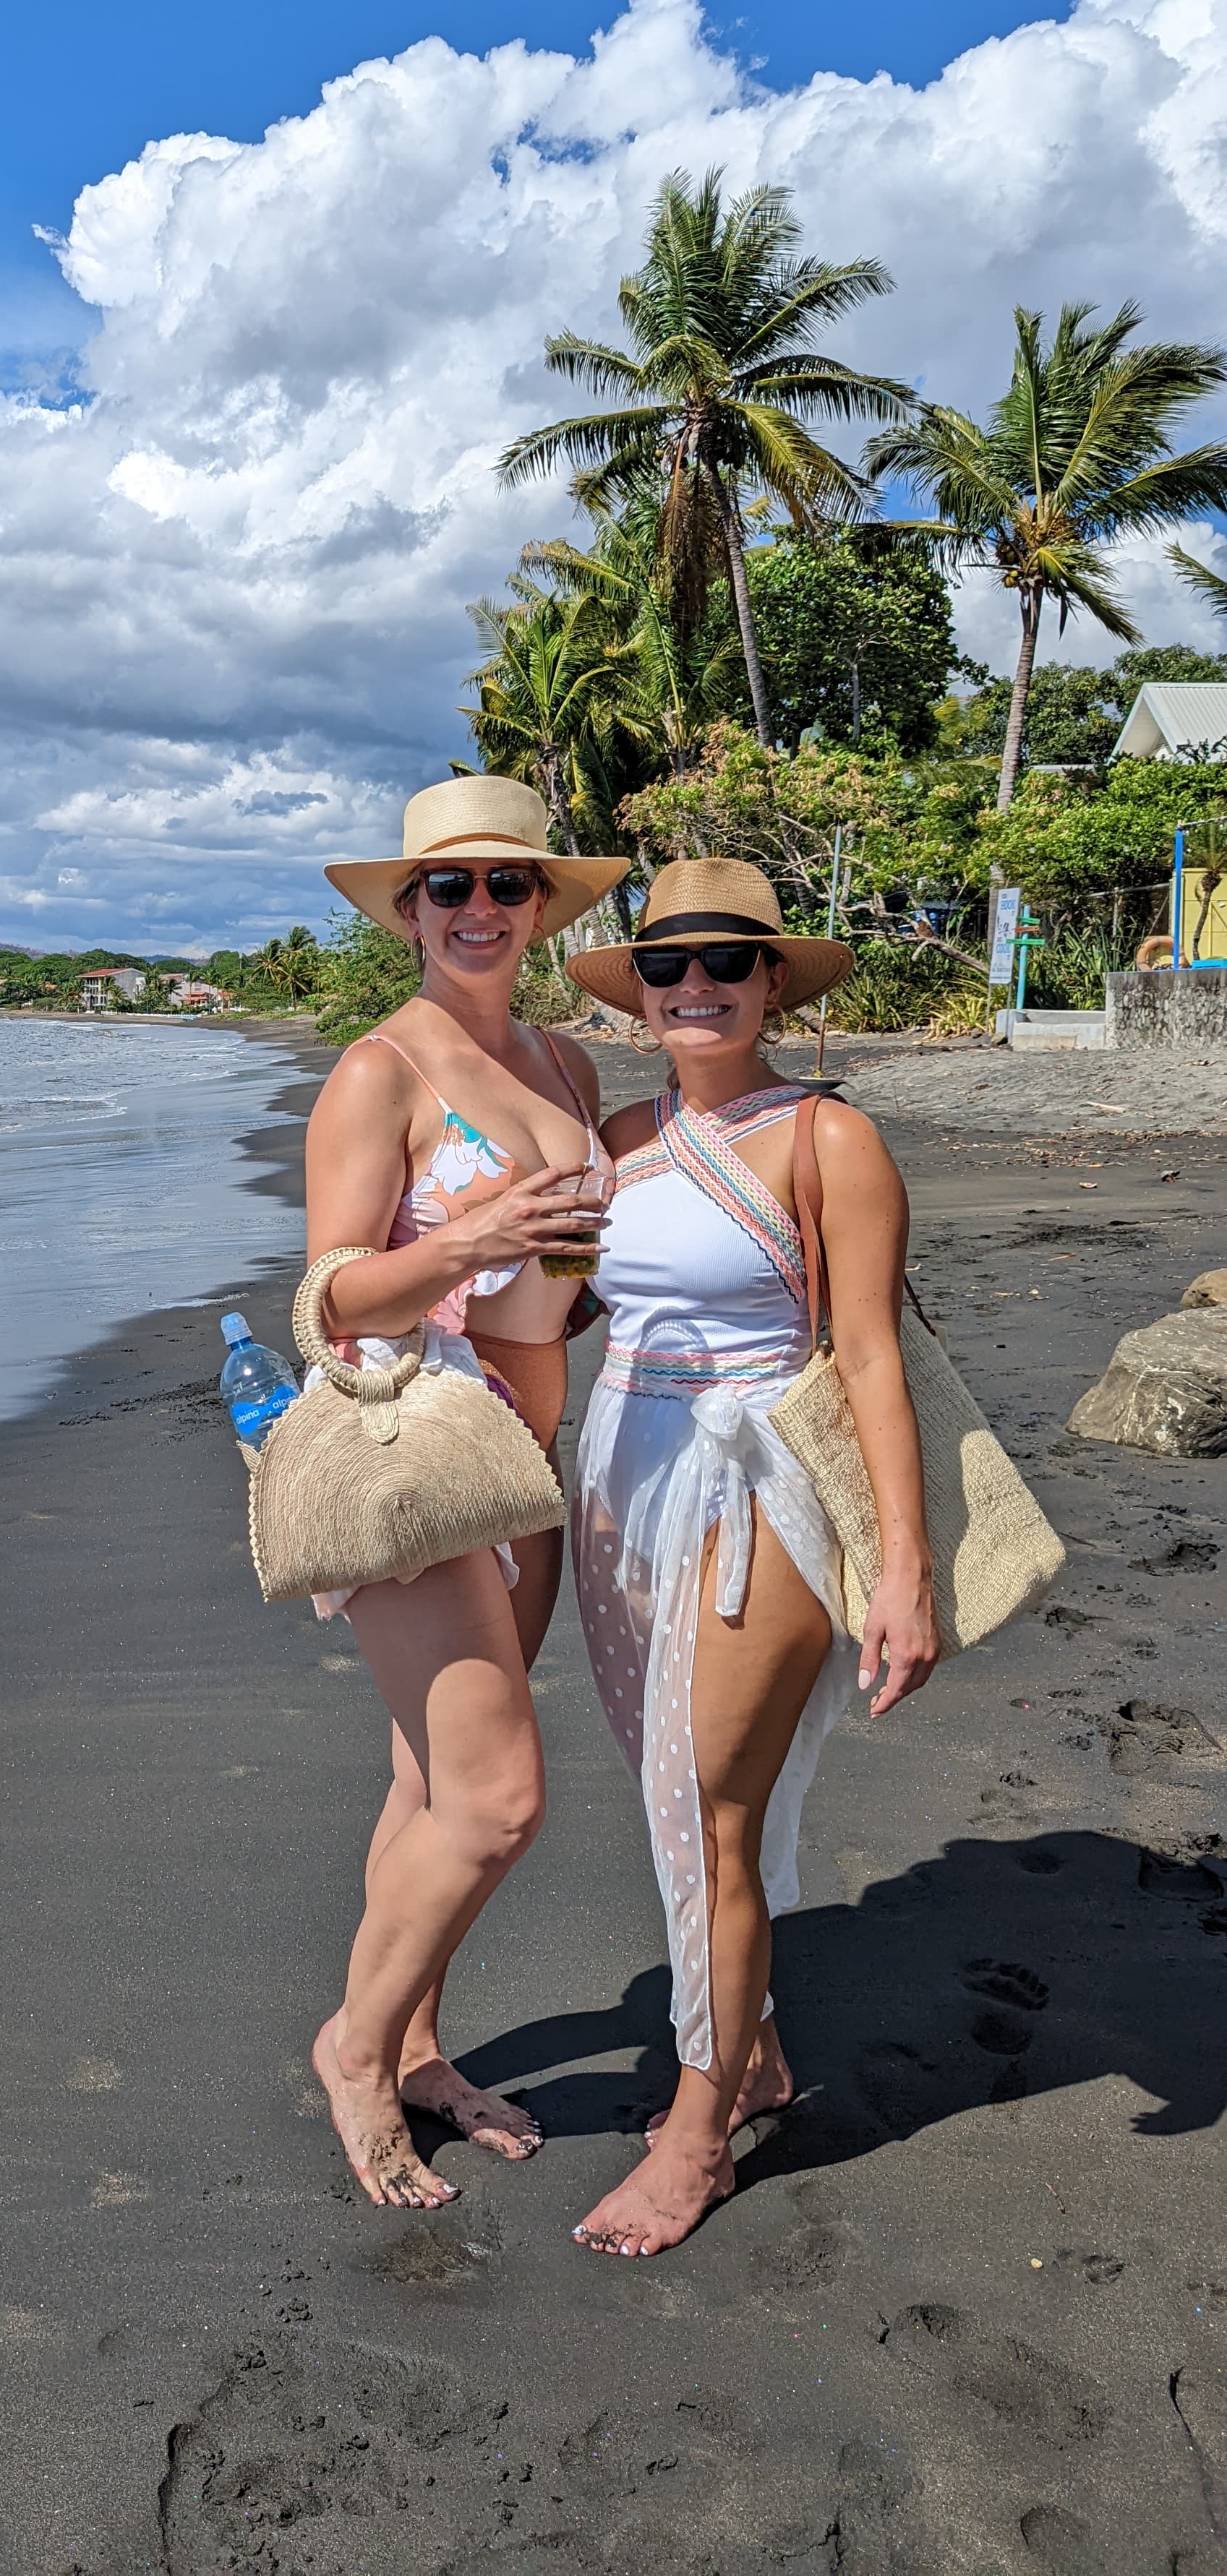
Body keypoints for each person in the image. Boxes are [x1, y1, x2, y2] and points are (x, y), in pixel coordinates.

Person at [561, 859, 938, 2257]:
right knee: (664, 1787)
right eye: (667, 966)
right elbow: (560, 1309)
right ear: (639, 993)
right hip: (621, 1475)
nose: (697, 987)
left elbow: (872, 1359)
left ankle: (696, 2134)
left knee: (712, 1801)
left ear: (774, 981)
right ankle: (756, 2045)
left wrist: (902, 1570)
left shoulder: (828, 1140)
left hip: (757, 1485)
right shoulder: (620, 1136)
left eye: (729, 962)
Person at [304, 776, 630, 2207]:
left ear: (543, 906)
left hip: (528, 1466)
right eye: (451, 886)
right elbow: (329, 1300)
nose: (481, 907)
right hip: (420, 1456)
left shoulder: (566, 1065)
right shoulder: (379, 1071)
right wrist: (469, 1241)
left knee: (431, 1783)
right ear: (410, 910)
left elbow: (572, 1281)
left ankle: (419, 2044)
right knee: (497, 1804)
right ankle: (356, 2053)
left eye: (510, 883)